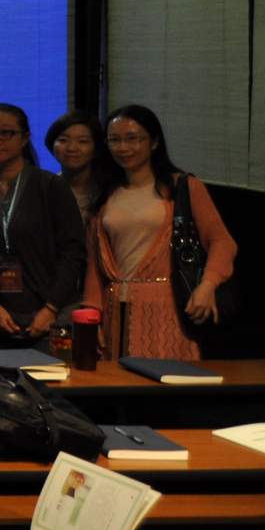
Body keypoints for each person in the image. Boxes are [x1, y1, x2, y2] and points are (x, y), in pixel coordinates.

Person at [86, 104, 238, 361]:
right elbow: (94, 268)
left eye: (133, 138)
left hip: (169, 308)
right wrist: (91, 317)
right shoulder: (105, 195)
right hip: (116, 311)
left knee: (169, 377)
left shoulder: (183, 187)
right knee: (119, 381)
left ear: (154, 142)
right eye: (114, 140)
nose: (123, 147)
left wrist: (207, 285)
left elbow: (222, 241)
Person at [0, 104, 87, 351]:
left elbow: (73, 252)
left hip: (51, 316)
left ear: (25, 138)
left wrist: (51, 308)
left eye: (6, 133)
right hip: (0, 320)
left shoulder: (51, 186)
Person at [47, 111, 115, 223]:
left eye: (82, 141)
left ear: (96, 148)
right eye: (63, 140)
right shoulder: (45, 190)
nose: (72, 148)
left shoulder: (111, 191)